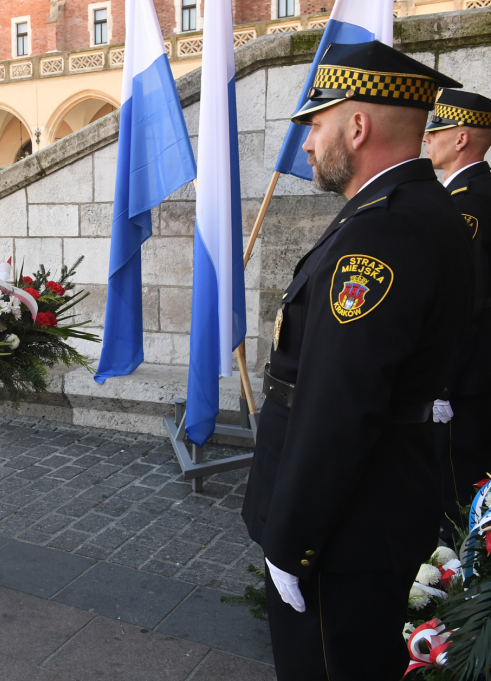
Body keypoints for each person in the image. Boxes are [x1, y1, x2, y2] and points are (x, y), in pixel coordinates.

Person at [240, 42, 473, 680]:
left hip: (344, 538)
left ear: (359, 125)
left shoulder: (384, 233)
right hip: (374, 516)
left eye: (317, 124)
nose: (308, 145)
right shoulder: (414, 212)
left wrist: (293, 545)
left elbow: (339, 406)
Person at [422, 88, 491, 542]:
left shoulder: (467, 204)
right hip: (473, 377)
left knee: (456, 493)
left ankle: (452, 598)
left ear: (462, 137)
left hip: (464, 385)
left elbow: (468, 302)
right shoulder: (474, 193)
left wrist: (443, 385)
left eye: (436, 130)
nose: (427, 140)